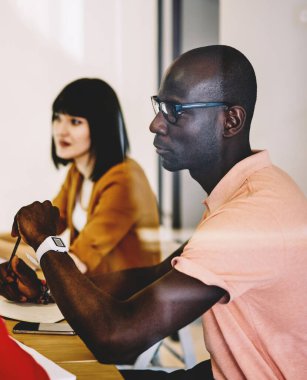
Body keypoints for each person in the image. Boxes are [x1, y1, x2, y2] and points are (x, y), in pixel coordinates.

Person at [1, 45, 307, 379]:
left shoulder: (251, 217)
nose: (155, 124)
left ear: (230, 120)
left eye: (175, 109)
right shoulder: (249, 190)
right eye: (160, 106)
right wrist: (46, 292)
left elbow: (115, 338)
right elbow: (154, 275)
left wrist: (46, 243)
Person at [0, 78, 160, 275]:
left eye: (75, 122)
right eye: (58, 118)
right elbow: (44, 230)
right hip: (94, 290)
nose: (61, 130)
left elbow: (73, 263)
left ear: (101, 127)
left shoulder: (125, 180)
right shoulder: (77, 172)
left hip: (128, 298)